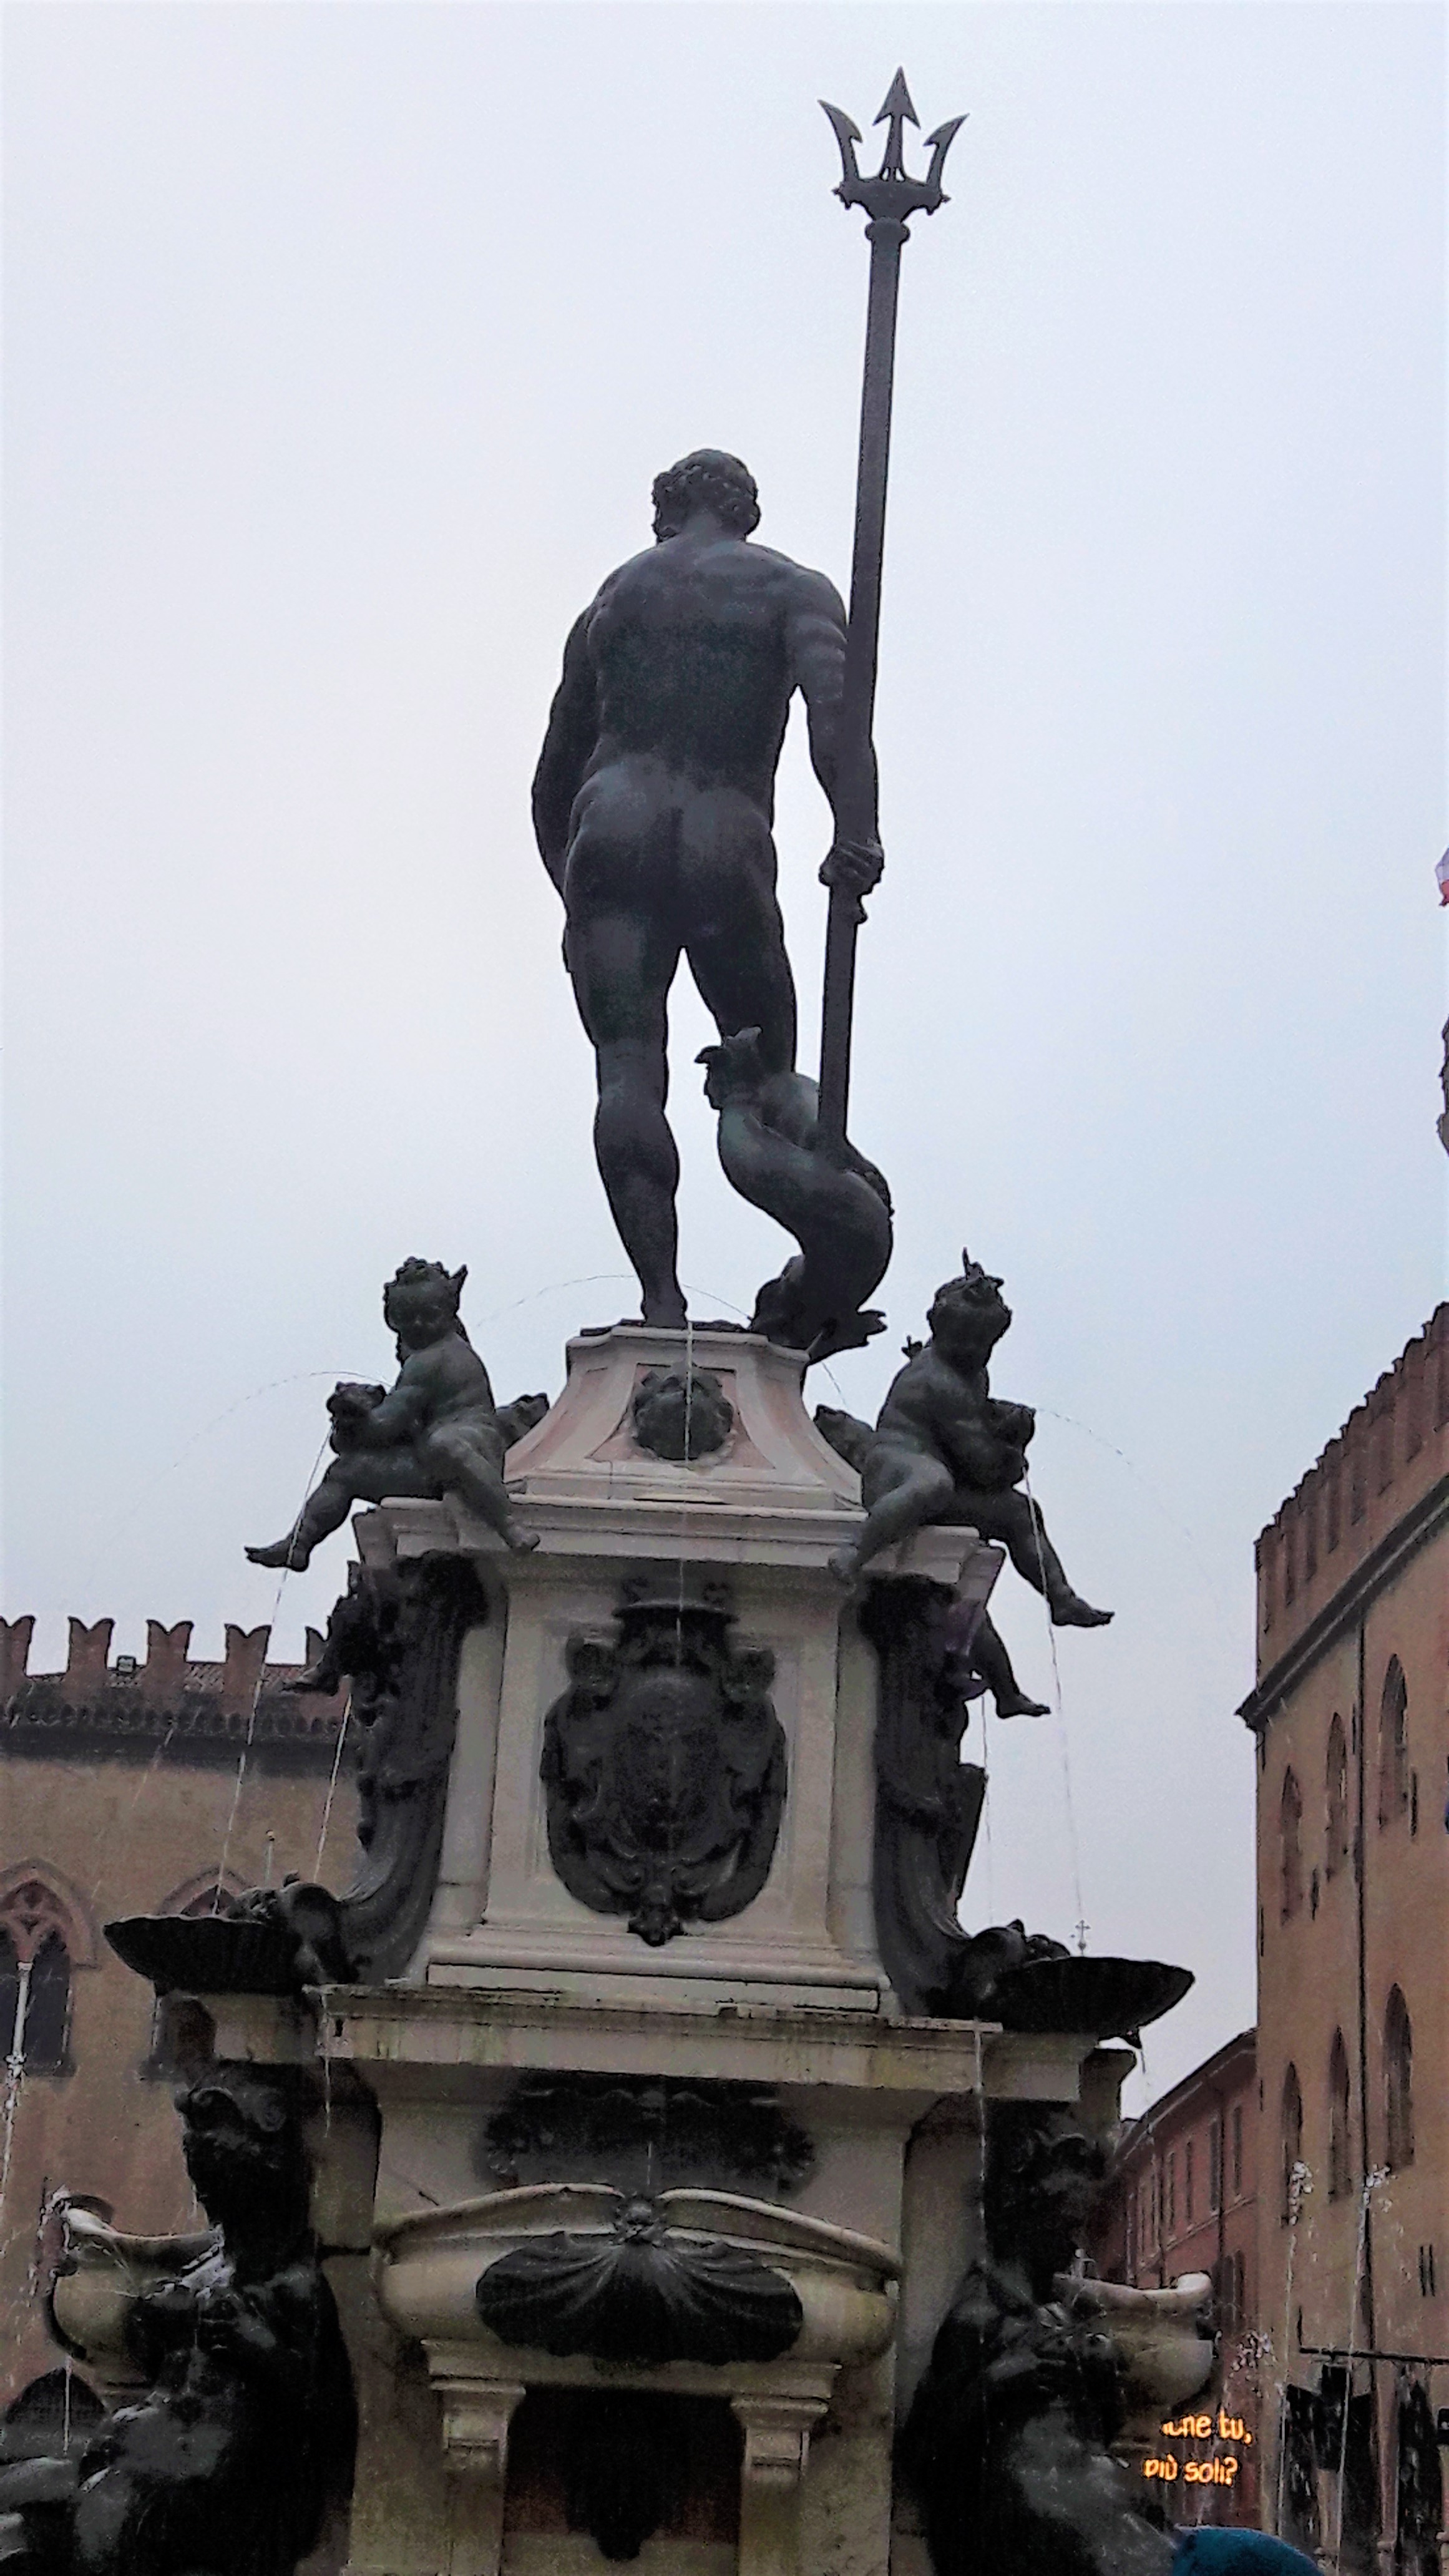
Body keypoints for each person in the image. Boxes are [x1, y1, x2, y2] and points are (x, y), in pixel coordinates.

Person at [532, 448, 882, 1328]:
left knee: (626, 1069)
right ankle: (822, 1237)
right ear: (746, 513)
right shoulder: (792, 590)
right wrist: (857, 831)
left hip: (610, 827)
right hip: (725, 838)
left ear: (665, 511)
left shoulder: (611, 602)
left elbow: (551, 778)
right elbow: (837, 721)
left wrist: (572, 892)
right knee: (770, 1069)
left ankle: (661, 1300)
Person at [245, 1259, 539, 1571]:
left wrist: (356, 1418)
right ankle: (299, 1543)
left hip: (471, 1448)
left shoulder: (430, 1360)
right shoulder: (436, 1347)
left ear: (448, 1312)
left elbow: (386, 1426)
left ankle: (507, 1524)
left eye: (429, 1316)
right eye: (406, 1318)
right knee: (345, 1472)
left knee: (443, 1444)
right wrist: (351, 1424)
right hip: (434, 1463)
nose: (418, 1325)